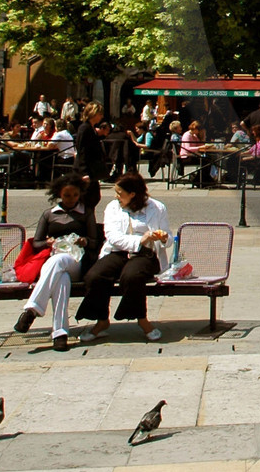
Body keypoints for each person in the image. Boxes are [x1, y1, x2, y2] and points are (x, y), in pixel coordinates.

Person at [76, 173, 169, 342]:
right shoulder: (113, 207)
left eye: (120, 193)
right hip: (117, 251)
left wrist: (163, 238)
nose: (116, 196)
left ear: (132, 194)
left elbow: (167, 237)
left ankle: (142, 320)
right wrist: (140, 240)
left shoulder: (157, 208)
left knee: (132, 276)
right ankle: (102, 320)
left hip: (144, 255)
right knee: (95, 276)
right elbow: (112, 235)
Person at [14, 175, 102, 350]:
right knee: (61, 280)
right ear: (59, 194)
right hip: (54, 262)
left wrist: (85, 241)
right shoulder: (49, 214)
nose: (71, 199)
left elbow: (95, 241)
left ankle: (32, 309)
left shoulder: (86, 212)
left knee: (59, 261)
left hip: (77, 261)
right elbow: (36, 242)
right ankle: (60, 334)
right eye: (67, 195)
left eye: (75, 195)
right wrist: (47, 243)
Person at [74, 103, 107, 206]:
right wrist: (84, 172)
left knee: (93, 197)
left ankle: (88, 219)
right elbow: (82, 150)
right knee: (88, 198)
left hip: (92, 169)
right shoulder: (85, 128)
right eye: (100, 114)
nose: (101, 116)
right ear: (94, 113)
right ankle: (86, 220)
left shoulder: (91, 128)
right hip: (86, 169)